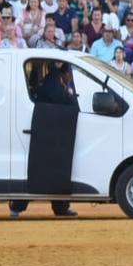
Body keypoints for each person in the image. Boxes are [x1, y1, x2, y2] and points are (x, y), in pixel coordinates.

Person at [10, 61, 79, 219]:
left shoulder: (58, 78)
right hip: (49, 127)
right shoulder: (53, 79)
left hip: (53, 127)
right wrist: (71, 97)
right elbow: (63, 99)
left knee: (49, 171)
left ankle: (57, 207)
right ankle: (20, 206)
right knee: (46, 171)